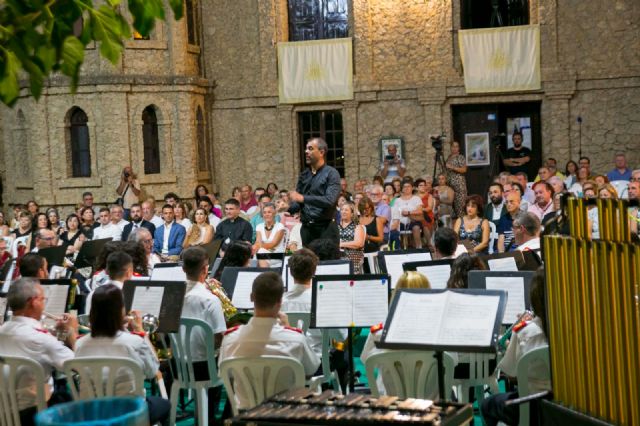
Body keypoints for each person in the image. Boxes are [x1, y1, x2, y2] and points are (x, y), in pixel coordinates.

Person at [218, 271, 320, 411]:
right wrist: (288, 328)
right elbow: (311, 370)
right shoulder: (296, 339)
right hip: (285, 413)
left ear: (251, 297)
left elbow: (226, 374)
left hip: (246, 413)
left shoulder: (230, 339)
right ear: (279, 302)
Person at [75, 284, 170, 425]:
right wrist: (140, 331)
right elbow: (152, 371)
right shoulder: (134, 342)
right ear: (120, 311)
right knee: (164, 404)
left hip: (92, 413)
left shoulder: (79, 344)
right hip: (130, 413)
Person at [0, 278, 77, 426]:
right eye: (43, 299)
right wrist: (71, 333)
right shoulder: (42, 340)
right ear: (33, 302)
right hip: (34, 414)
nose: (44, 303)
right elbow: (77, 367)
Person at [480, 268, 550, 426]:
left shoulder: (525, 331)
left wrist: (507, 344)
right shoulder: (575, 334)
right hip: (565, 407)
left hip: (532, 407)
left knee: (487, 405)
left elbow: (510, 373)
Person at [360, 271, 434, 397]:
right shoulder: (438, 333)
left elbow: (366, 360)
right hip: (432, 403)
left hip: (392, 403)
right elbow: (452, 363)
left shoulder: (379, 333)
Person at [180, 247, 227, 420]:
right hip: (204, 369)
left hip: (178, 365)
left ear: (183, 269)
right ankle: (218, 418)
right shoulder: (210, 299)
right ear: (206, 269)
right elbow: (219, 338)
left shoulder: (173, 294)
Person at [289, 137, 341, 247]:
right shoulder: (304, 175)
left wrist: (303, 198)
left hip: (326, 229)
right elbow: (298, 204)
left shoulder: (332, 173)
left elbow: (329, 200)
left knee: (328, 264)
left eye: (310, 149)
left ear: (321, 152)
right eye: (306, 149)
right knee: (309, 263)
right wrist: (287, 207)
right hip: (307, 230)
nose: (306, 152)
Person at [390, 179, 424, 249]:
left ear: (412, 188)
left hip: (413, 220)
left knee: (416, 227)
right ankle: (398, 249)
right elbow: (393, 212)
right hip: (400, 221)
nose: (407, 188)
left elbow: (420, 211)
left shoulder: (416, 198)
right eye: (405, 187)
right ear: (402, 188)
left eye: (409, 186)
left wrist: (408, 213)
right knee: (394, 228)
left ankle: (419, 248)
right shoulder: (397, 200)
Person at [253, 202, 286, 267]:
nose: (266, 214)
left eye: (269, 212)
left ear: (274, 213)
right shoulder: (259, 226)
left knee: (260, 253)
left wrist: (258, 246)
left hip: (277, 254)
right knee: (259, 255)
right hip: (263, 254)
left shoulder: (280, 226)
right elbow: (258, 242)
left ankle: (260, 274)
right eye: (264, 212)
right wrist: (255, 247)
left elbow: (273, 244)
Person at [338, 202, 365, 273]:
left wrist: (341, 244)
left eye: (346, 210)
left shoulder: (357, 227)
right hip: (337, 257)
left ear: (352, 213)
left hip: (353, 258)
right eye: (342, 210)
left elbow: (358, 243)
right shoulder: (336, 226)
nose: (343, 211)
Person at [446, 141, 468, 218]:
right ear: (450, 147)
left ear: (459, 148)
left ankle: (462, 224)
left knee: (460, 206)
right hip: (450, 185)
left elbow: (464, 169)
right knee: (451, 207)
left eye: (456, 146)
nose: (455, 148)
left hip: (459, 185)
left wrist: (452, 167)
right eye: (453, 146)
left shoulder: (460, 157)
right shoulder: (448, 157)